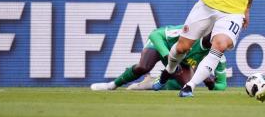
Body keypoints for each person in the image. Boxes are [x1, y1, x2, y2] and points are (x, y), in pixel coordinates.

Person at [90, 25, 227, 91]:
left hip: (180, 62)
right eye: (217, 35)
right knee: (143, 67)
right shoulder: (191, 33)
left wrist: (212, 84)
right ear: (209, 33)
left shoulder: (218, 53)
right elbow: (155, 35)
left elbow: (223, 85)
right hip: (163, 48)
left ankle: (151, 82)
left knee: (187, 86)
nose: (220, 40)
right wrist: (168, 56)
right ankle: (112, 85)